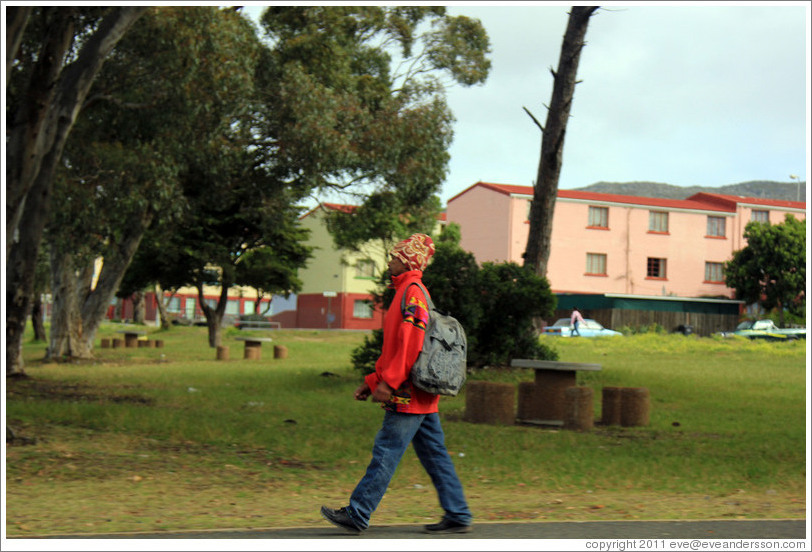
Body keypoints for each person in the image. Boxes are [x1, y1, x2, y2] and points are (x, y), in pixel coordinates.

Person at [320, 233, 473, 535]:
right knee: (434, 454)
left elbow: (410, 343)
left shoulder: (412, 292)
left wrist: (388, 383)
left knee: (387, 450)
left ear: (407, 259)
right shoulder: (406, 290)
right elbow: (394, 347)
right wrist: (373, 381)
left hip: (407, 394)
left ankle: (358, 512)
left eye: (393, 256)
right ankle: (458, 513)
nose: (389, 260)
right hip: (419, 395)